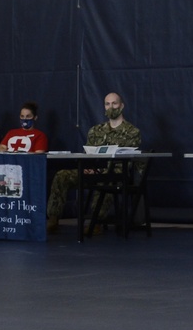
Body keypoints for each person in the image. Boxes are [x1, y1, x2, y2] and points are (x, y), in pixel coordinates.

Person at [46, 92, 141, 233]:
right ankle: (53, 219)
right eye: (107, 104)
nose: (111, 107)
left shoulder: (132, 131)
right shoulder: (95, 131)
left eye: (114, 103)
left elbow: (131, 160)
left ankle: (97, 221)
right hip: (94, 171)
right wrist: (88, 168)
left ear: (122, 106)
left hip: (117, 173)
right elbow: (88, 155)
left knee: (106, 178)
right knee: (62, 175)